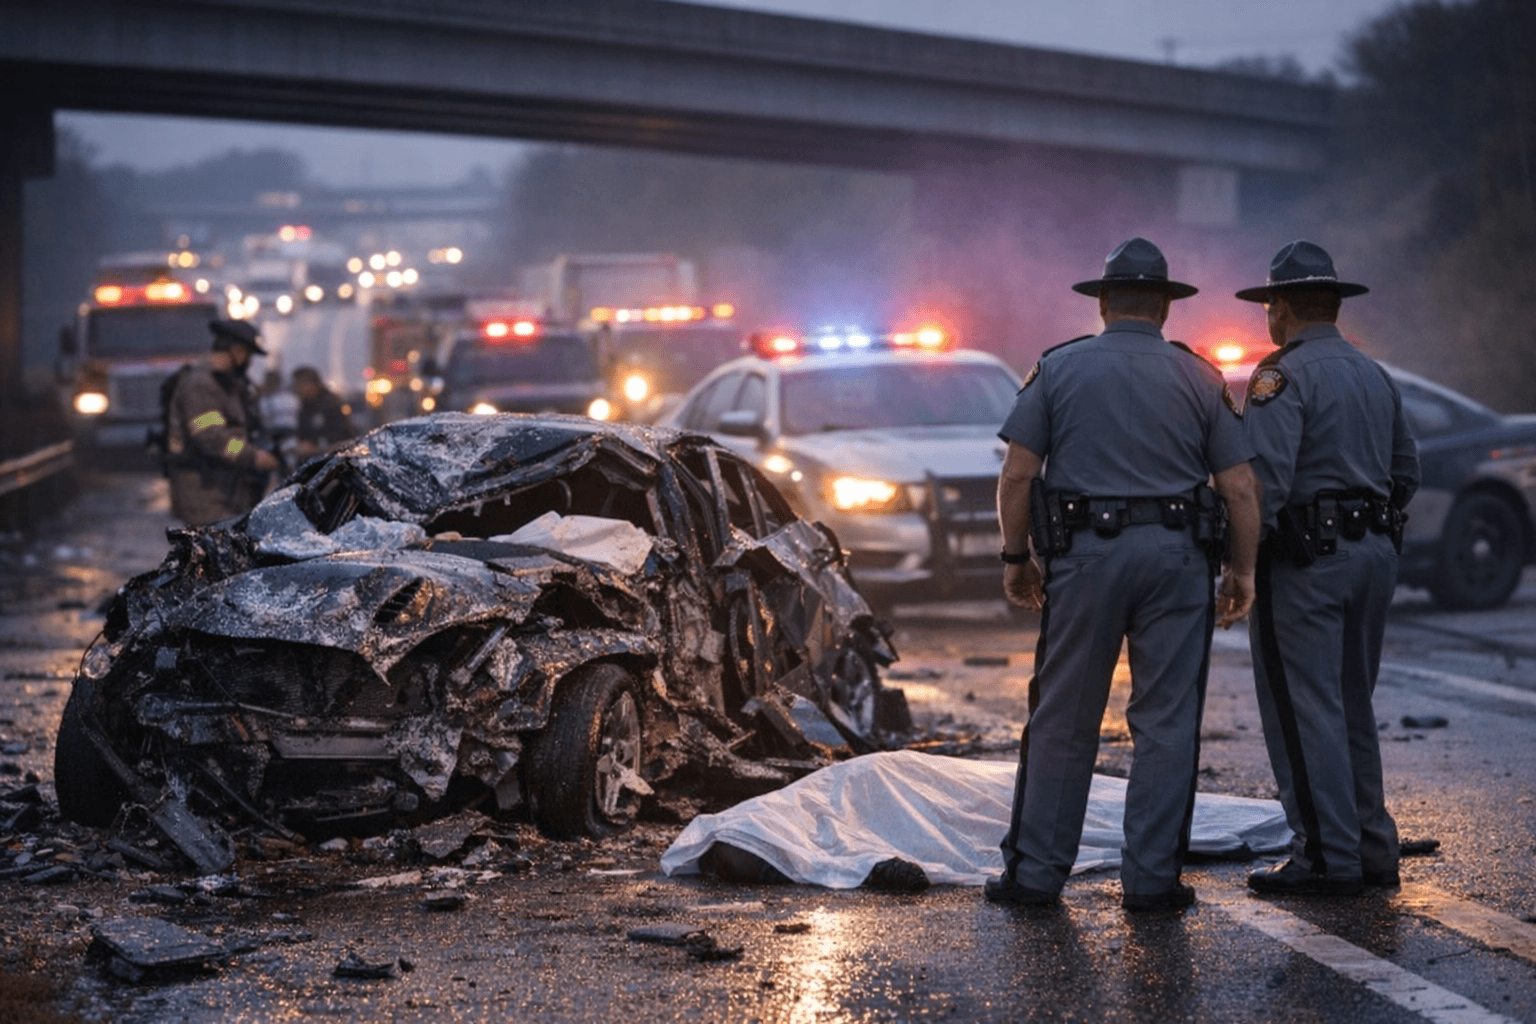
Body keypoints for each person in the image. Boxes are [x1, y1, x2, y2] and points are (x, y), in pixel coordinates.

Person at [988, 237, 1262, 912]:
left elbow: (1018, 474)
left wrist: (1016, 559)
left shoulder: (1057, 369)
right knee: (1168, 721)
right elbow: (1241, 488)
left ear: (1103, 302)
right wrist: (1243, 573)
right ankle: (1152, 882)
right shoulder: (1201, 376)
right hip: (1178, 562)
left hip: (1085, 561)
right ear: (1165, 309)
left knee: (1063, 717)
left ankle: (1035, 877)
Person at [1235, 241, 1419, 896]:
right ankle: (1372, 848)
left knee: (1302, 709)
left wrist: (1240, 568)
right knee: (1350, 707)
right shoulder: (1375, 374)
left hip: (1307, 563)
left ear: (1278, 307)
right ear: (1334, 305)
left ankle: (1323, 857)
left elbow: (1263, 486)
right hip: (1373, 556)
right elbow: (1407, 473)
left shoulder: (1277, 377)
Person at [165, 318, 279, 525]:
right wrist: (254, 456)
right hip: (205, 495)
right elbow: (211, 439)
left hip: (225, 491)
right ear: (236, 351)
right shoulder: (201, 385)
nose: (248, 362)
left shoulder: (226, 383)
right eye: (247, 354)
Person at [291, 365, 357, 461]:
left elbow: (346, 439)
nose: (297, 389)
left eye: (299, 384)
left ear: (313, 384)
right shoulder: (304, 407)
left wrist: (316, 449)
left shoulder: (331, 405)